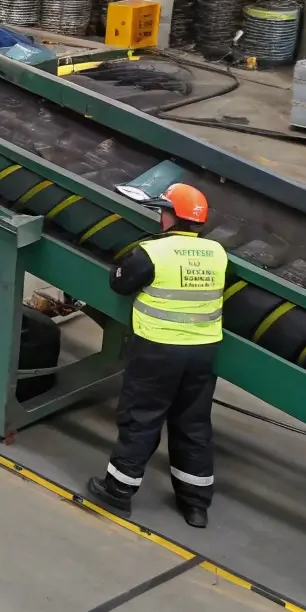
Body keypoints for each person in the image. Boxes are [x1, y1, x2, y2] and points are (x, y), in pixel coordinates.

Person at [86, 182, 225, 529]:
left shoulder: (152, 253)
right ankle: (195, 505)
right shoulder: (217, 253)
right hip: (202, 353)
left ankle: (117, 491)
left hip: (158, 352)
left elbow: (120, 282)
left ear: (170, 217)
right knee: (193, 423)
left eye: (163, 211)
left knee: (141, 418)